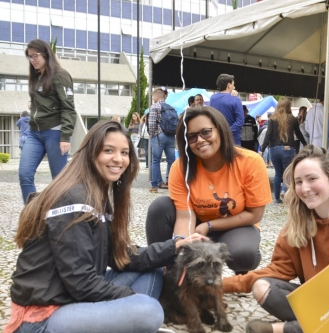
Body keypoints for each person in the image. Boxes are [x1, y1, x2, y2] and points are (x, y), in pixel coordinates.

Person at [5, 120, 208, 333]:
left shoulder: (98, 195)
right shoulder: (75, 198)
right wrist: (131, 300)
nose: (118, 159)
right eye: (108, 150)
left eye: (125, 152)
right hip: (44, 316)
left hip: (71, 297)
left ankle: (122, 322)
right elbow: (82, 282)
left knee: (153, 268)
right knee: (150, 311)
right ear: (90, 153)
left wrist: (174, 246)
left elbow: (121, 256)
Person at [223, 145, 329, 333]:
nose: (305, 188)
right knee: (261, 287)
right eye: (298, 182)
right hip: (319, 306)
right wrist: (219, 285)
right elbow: (277, 270)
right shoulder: (297, 223)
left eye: (312, 179)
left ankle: (283, 329)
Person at [145, 106, 272, 275]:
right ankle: (165, 270)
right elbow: (184, 216)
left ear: (220, 130)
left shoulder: (251, 162)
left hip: (237, 225)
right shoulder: (180, 167)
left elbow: (255, 215)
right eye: (191, 137)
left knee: (243, 254)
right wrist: (182, 245)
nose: (199, 140)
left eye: (205, 132)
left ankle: (242, 270)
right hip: (196, 225)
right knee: (160, 207)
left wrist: (210, 225)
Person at [19, 39, 77, 204]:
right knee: (24, 174)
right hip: (34, 133)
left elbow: (68, 108)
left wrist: (65, 136)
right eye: (29, 57)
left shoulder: (60, 75)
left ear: (46, 54)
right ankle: (32, 216)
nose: (33, 60)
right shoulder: (37, 77)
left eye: (35, 55)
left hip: (55, 133)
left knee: (59, 181)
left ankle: (62, 219)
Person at [260, 98, 307, 204]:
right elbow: (298, 133)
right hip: (288, 148)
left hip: (273, 149)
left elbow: (268, 135)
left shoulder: (272, 119)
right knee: (288, 172)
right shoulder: (292, 119)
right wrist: (305, 143)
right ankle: (284, 190)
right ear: (288, 106)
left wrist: (262, 149)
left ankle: (276, 198)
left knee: (277, 173)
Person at [148, 88, 176, 193]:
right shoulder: (170, 107)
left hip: (159, 136)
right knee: (171, 161)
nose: (153, 98)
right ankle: (170, 182)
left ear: (156, 96)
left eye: (153, 96)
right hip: (171, 136)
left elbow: (151, 124)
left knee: (156, 161)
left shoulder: (154, 106)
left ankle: (155, 185)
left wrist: (153, 135)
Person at [210, 74, 244, 145]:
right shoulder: (235, 99)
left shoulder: (212, 98)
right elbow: (240, 121)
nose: (234, 87)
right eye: (233, 84)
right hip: (233, 139)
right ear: (228, 85)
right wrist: (227, 132)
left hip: (218, 137)